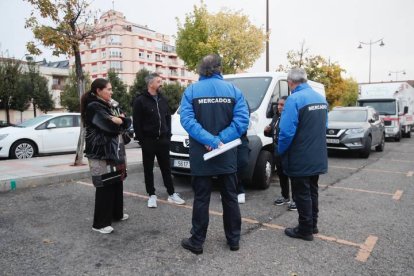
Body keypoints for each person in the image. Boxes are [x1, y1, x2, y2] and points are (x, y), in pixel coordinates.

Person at [180, 54, 249, 254]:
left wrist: (210, 140)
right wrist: (220, 140)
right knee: (230, 197)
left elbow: (187, 120)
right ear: (219, 68)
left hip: (202, 153)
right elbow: (242, 121)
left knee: (201, 198)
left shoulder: (191, 90)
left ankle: (197, 241)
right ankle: (234, 240)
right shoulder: (234, 91)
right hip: (226, 152)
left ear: (201, 69)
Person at [278, 68, 328, 241]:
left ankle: (305, 229)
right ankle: (312, 225)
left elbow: (286, 132)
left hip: (300, 156)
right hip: (317, 154)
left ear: (290, 82)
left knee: (301, 193)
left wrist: (281, 151)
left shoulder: (294, 99)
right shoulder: (321, 99)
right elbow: (324, 127)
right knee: (312, 190)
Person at [81, 78, 132, 234]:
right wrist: (119, 120)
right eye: (108, 89)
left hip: (114, 149)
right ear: (98, 91)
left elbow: (126, 120)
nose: (111, 92)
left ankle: (116, 214)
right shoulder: (93, 106)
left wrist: (121, 120)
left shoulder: (109, 104)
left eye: (111, 89)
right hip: (100, 151)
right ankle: (100, 223)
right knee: (105, 185)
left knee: (117, 181)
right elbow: (109, 126)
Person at [132, 72, 185, 208]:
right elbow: (137, 123)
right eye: (158, 81)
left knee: (166, 168)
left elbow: (167, 118)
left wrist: (168, 135)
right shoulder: (140, 100)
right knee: (148, 169)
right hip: (148, 141)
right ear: (151, 84)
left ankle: (172, 194)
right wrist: (142, 141)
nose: (161, 84)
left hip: (163, 140)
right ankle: (151, 195)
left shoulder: (163, 99)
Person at [264, 96, 297, 211]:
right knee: (282, 175)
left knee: (292, 176)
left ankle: (296, 200)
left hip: (288, 151)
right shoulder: (276, 116)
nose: (279, 107)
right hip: (277, 150)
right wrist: (267, 130)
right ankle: (285, 196)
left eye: (282, 105)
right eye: (278, 104)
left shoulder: (290, 117)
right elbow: (273, 133)